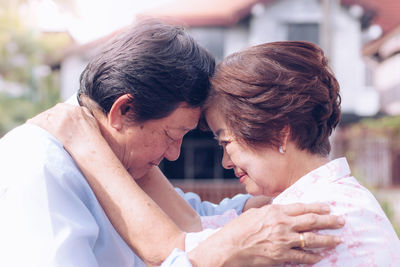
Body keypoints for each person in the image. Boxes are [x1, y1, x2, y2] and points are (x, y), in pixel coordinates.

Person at [4, 20, 344, 267]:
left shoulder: (118, 156)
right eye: (171, 135)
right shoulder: (40, 168)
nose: (174, 153)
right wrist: (210, 258)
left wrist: (263, 210)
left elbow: (194, 216)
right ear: (123, 110)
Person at [201, 41, 400, 265]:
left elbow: (185, 243)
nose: (226, 162)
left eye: (226, 142)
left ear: (277, 134)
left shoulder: (313, 218)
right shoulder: (332, 200)